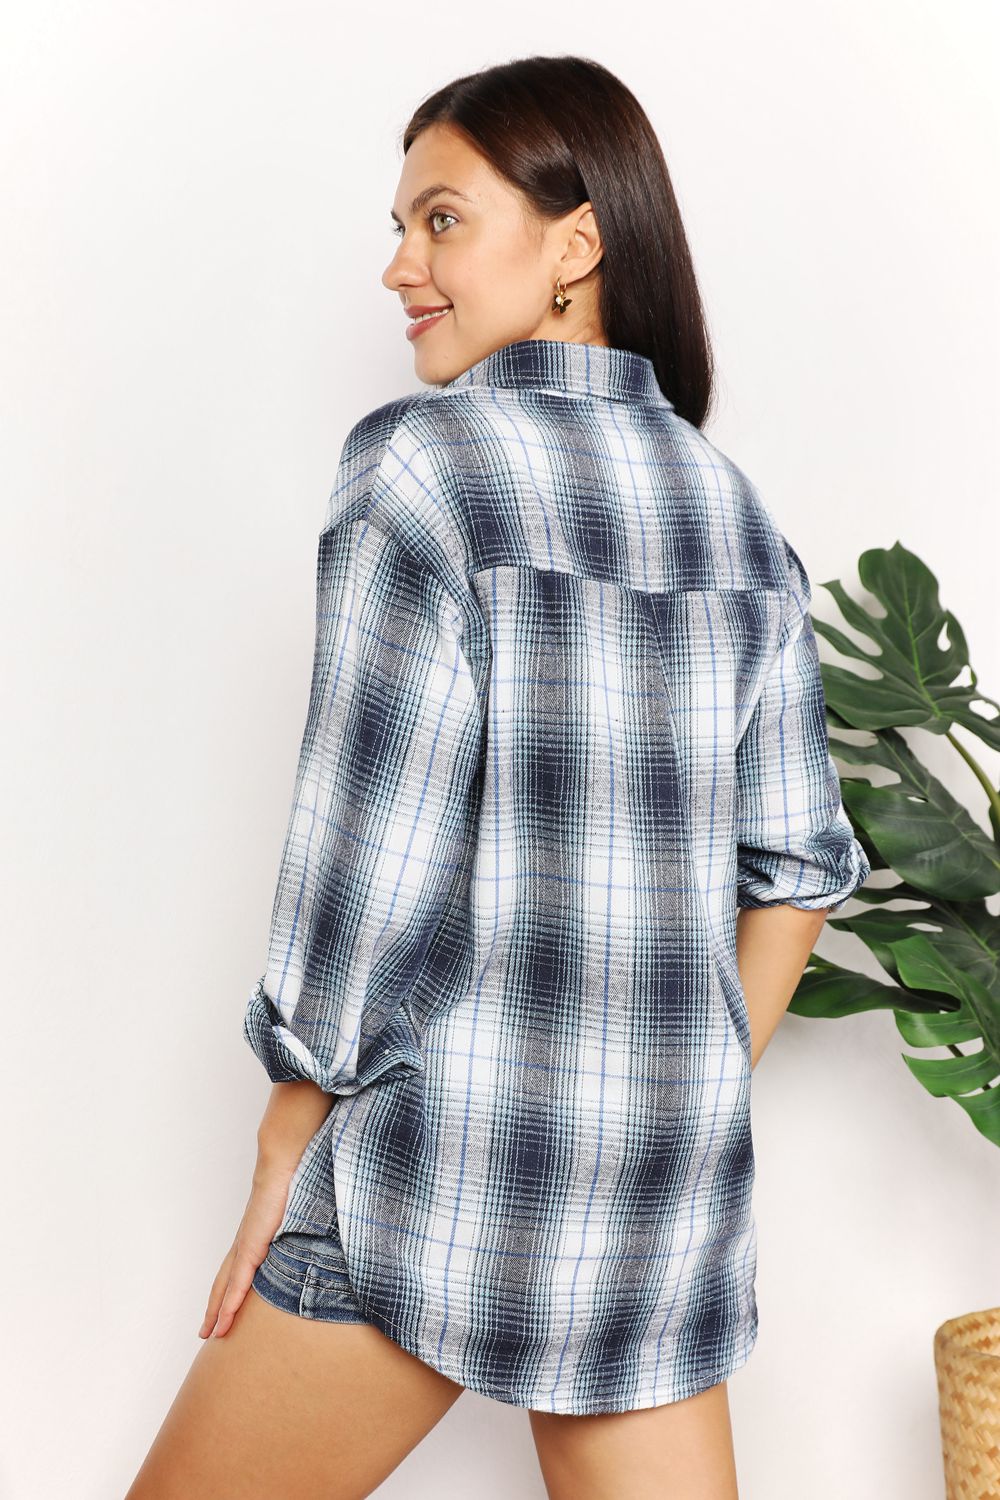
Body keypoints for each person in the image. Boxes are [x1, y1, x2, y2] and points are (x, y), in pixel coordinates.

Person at [125, 53, 870, 1500]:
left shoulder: (424, 469)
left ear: (576, 244)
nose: (399, 265)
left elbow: (369, 862)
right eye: (402, 226)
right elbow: (798, 869)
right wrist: (677, 1093)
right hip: (655, 1202)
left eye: (443, 220)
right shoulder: (732, 511)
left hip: (435, 1175)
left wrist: (285, 1139)